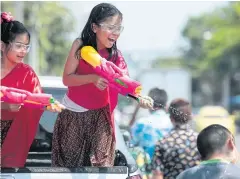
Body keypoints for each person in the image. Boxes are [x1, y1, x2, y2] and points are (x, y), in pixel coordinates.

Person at [51, 3, 153, 167]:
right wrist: (92, 78)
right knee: (69, 169)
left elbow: (124, 83)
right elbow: (67, 79)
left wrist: (139, 97)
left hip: (101, 117)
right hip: (73, 113)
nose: (115, 33)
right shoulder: (80, 45)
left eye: (119, 28)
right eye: (111, 27)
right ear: (94, 27)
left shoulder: (115, 56)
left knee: (102, 167)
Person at [0, 12, 63, 167]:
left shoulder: (27, 74)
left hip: (13, 137)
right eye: (18, 46)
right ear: (2, 45)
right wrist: (3, 106)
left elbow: (36, 99)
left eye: (26, 47)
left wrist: (48, 104)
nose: (23, 51)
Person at [151, 98, 201, 179]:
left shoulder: (163, 142)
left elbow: (157, 174)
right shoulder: (199, 140)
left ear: (171, 118)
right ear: (190, 117)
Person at [131, 88, 173, 159]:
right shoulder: (172, 122)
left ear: (149, 103)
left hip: (146, 166)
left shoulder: (142, 123)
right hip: (168, 164)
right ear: (166, 104)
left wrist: (137, 108)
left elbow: (131, 143)